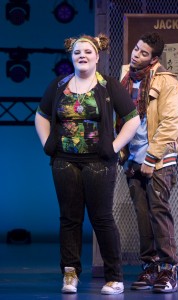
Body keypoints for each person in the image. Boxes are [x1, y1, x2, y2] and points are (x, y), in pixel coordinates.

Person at [35, 33, 140, 295]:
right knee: (69, 219)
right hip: (65, 162)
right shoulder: (59, 86)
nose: (82, 56)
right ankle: (70, 275)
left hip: (98, 162)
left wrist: (113, 147)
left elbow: (132, 119)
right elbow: (41, 115)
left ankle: (114, 278)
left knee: (101, 218)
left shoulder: (108, 86)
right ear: (71, 57)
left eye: (87, 52)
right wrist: (48, 143)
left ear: (97, 56)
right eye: (77, 52)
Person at [117, 32, 178, 293]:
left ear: (154, 58)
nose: (136, 54)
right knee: (142, 215)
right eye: (136, 49)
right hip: (133, 156)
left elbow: (169, 124)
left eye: (144, 53)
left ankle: (169, 269)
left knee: (158, 212)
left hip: (158, 159)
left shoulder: (167, 82)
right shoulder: (125, 78)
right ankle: (150, 267)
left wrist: (151, 157)